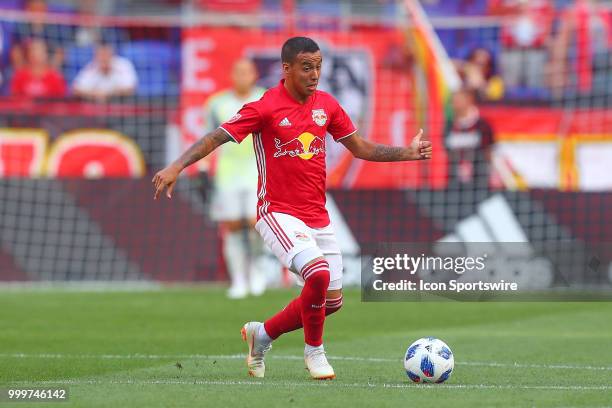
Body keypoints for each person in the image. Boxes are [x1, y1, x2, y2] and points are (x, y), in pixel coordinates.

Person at [152, 37, 432, 380]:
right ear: (286, 69)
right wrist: (177, 166)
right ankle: (315, 352)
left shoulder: (327, 105)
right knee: (317, 273)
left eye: (318, 66)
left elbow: (359, 147)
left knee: (330, 302)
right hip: (278, 212)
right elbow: (216, 136)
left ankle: (262, 334)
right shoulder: (265, 106)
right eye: (306, 67)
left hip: (318, 215)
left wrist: (407, 152)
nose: (314, 74)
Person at [204, 58, 267, 299]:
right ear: (231, 75)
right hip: (228, 172)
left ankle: (257, 272)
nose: (242, 76)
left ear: (254, 75)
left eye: (247, 72)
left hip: (257, 169)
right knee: (231, 225)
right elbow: (207, 139)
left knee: (255, 223)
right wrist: (203, 169)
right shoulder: (217, 103)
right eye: (237, 72)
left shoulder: (264, 99)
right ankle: (238, 279)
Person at [445, 88, 494, 190]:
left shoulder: (482, 125)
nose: (455, 104)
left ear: (469, 100)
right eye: (453, 101)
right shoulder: (448, 127)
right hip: (455, 184)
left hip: (479, 182)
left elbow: (489, 152)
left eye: (459, 100)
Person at [72, 43, 138, 102]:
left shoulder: (123, 64)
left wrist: (109, 94)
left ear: (112, 54)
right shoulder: (91, 66)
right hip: (95, 104)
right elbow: (76, 90)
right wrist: (95, 94)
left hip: (119, 103)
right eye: (100, 54)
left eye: (106, 54)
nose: (103, 58)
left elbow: (131, 89)